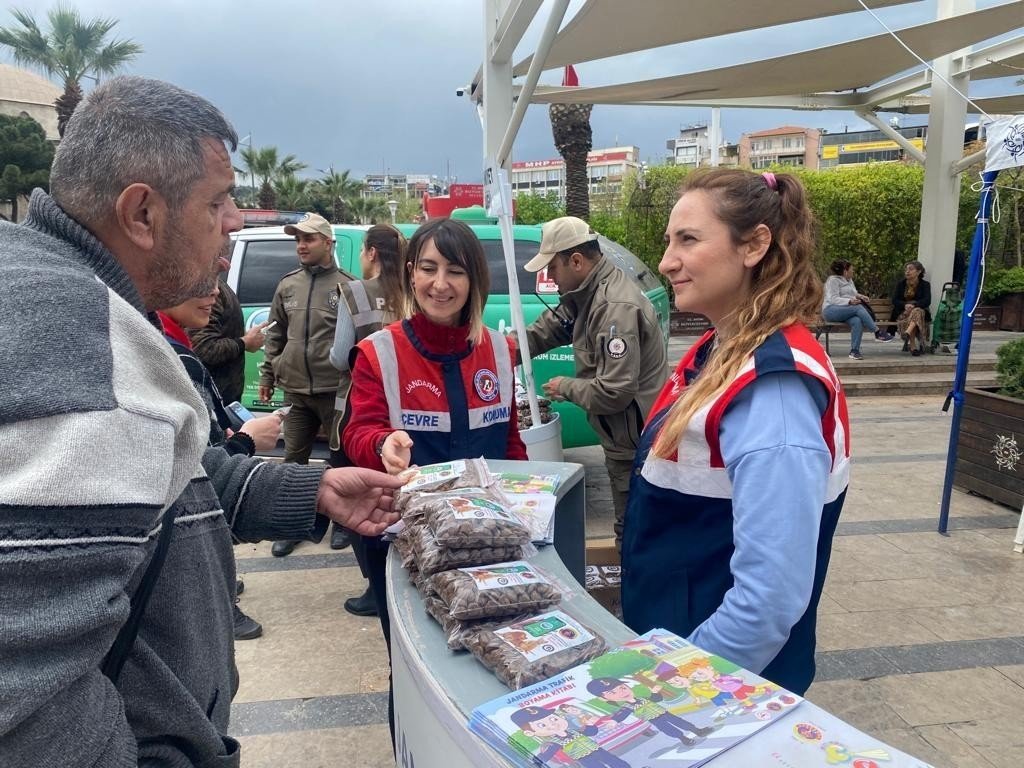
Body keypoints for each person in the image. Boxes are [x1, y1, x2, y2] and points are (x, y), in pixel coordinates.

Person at [0, 76, 403, 767]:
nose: (236, 220)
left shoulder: (61, 290)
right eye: (216, 200)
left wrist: (310, 492)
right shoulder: (82, 340)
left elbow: (170, 471)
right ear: (141, 214)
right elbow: (25, 702)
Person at [621, 169, 850, 696]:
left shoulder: (774, 391)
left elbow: (768, 601)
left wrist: (673, 686)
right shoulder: (721, 351)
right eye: (667, 241)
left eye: (688, 240)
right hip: (684, 657)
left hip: (716, 689)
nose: (665, 262)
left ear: (754, 246)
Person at [343, 216, 528, 745]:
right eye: (427, 268)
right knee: (417, 666)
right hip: (403, 542)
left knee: (493, 658)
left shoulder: (498, 349)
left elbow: (511, 443)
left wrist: (522, 513)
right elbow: (359, 429)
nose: (439, 284)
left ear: (475, 281)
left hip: (487, 541)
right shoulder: (379, 351)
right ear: (409, 273)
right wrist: (383, 444)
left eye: (455, 270)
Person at [520, 216, 667, 551]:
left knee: (632, 530)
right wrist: (502, 350)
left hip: (636, 444)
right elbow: (552, 328)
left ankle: (634, 595)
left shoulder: (614, 307)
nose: (550, 278)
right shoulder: (584, 293)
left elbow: (614, 392)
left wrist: (565, 387)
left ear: (576, 261)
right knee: (632, 525)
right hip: (624, 436)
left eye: (552, 268)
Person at [160, 286, 285, 640]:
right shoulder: (170, 353)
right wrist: (246, 441)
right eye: (201, 279)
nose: (213, 290)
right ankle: (223, 606)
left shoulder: (167, 336)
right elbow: (196, 478)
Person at [259, 211, 351, 556]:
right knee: (293, 462)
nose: (301, 245)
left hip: (334, 390)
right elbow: (276, 335)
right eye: (297, 239)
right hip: (296, 391)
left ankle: (342, 523)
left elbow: (358, 341)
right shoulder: (287, 285)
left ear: (328, 243)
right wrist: (269, 374)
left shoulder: (348, 285)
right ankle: (295, 525)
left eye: (308, 239)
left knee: (341, 458)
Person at [328, 223, 407, 617]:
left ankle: (376, 589)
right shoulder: (416, 291)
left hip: (363, 415)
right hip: (409, 412)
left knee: (365, 502)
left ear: (372, 253)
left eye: (362, 251)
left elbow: (340, 356)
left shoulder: (355, 293)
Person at [187, 276, 268, 404]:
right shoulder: (207, 288)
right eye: (218, 255)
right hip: (211, 400)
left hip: (223, 398)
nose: (226, 262)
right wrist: (245, 342)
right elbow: (204, 348)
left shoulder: (215, 286)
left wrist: (243, 338)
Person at [821, 258, 894, 360]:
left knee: (857, 321)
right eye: (851, 270)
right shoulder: (833, 281)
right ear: (845, 271)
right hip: (831, 310)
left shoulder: (849, 280)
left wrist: (860, 296)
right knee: (857, 307)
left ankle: (854, 351)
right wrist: (849, 302)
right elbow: (833, 299)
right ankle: (877, 332)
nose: (853, 271)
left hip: (845, 310)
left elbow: (852, 293)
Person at [890, 260, 932, 356]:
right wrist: (905, 305)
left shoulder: (925, 285)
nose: (907, 271)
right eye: (906, 269)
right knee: (915, 316)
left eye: (910, 269)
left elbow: (927, 300)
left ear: (918, 271)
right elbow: (895, 300)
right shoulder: (901, 284)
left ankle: (910, 339)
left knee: (916, 311)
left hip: (918, 312)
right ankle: (912, 344)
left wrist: (913, 305)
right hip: (903, 313)